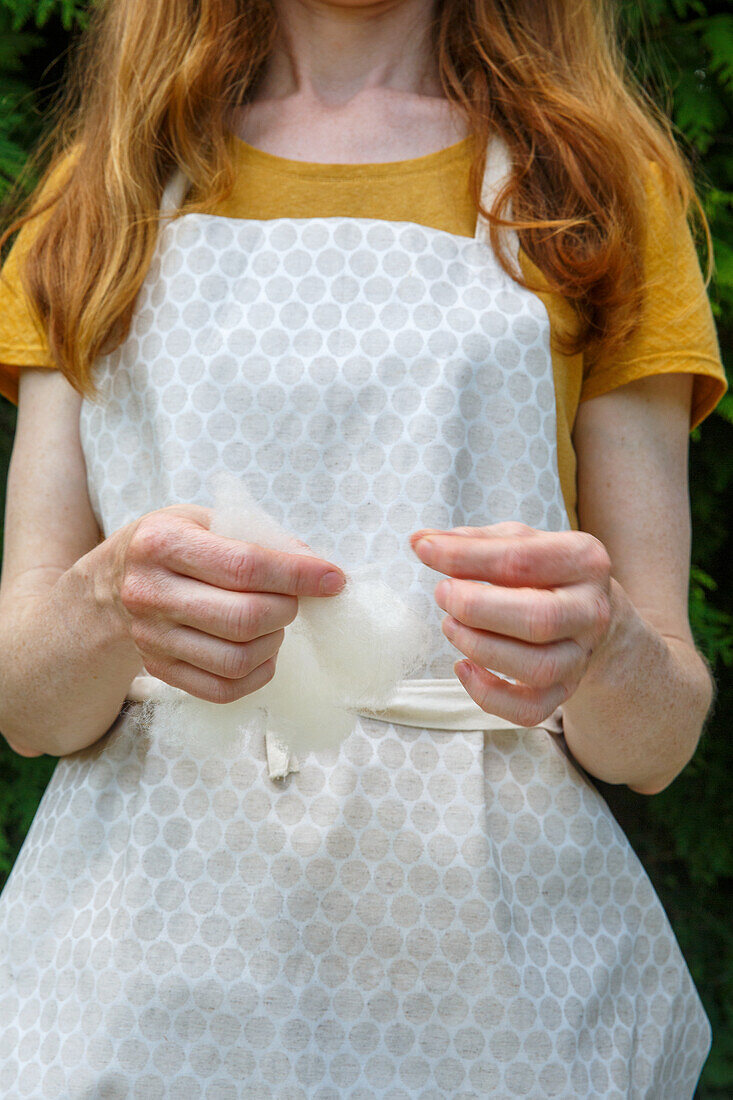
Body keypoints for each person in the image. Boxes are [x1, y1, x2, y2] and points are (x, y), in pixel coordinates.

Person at [0, 0, 727, 1096]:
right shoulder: (99, 198)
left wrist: (605, 646)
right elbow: (27, 700)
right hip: (146, 990)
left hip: (494, 997)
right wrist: (110, 604)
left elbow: (655, 737)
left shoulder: (588, 194)